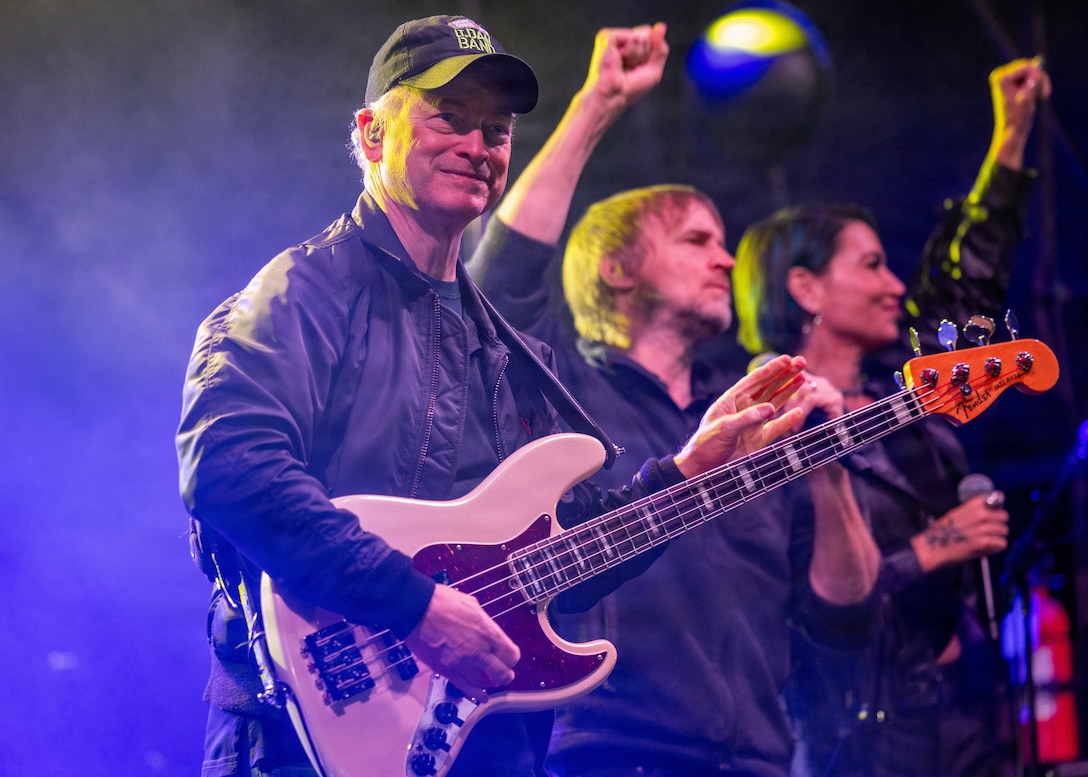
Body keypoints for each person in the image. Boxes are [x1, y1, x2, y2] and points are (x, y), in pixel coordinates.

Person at [175, 15, 813, 777]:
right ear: (372, 135)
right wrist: (414, 604)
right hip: (299, 736)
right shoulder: (302, 292)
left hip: (482, 743)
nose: (479, 146)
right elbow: (230, 469)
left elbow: (550, 554)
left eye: (498, 130)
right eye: (450, 117)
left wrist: (684, 474)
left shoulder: (510, 349)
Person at [470, 23, 881, 777]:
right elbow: (502, 279)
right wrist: (597, 104)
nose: (726, 259)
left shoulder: (750, 420)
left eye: (722, 242)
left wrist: (828, 466)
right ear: (618, 270)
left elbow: (842, 614)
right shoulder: (564, 388)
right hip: (615, 752)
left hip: (759, 761)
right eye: (696, 241)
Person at [731, 57, 1051, 777]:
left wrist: (1011, 134)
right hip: (857, 736)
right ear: (806, 287)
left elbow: (970, 291)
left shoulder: (904, 393)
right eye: (871, 265)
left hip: (964, 707)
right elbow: (801, 603)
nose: (896, 286)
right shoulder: (761, 425)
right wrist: (932, 547)